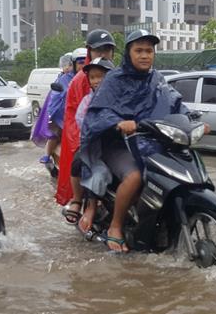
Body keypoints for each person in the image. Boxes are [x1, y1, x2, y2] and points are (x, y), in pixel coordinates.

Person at [78, 29, 200, 252]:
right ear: (129, 53)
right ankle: (115, 226)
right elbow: (98, 111)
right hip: (117, 143)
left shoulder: (157, 79)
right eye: (139, 50)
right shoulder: (114, 79)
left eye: (149, 51)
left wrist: (192, 119)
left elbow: (174, 103)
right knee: (135, 176)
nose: (145, 55)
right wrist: (118, 122)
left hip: (152, 141)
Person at [58, 29, 118, 223]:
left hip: (115, 136)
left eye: (107, 50)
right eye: (98, 50)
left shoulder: (118, 76)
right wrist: (84, 141)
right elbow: (76, 117)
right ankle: (81, 202)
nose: (103, 54)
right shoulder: (80, 80)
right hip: (87, 136)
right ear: (89, 51)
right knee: (82, 163)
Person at [73, 56, 114, 233]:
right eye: (93, 77)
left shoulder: (120, 97)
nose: (96, 81)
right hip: (94, 145)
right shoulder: (87, 101)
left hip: (119, 145)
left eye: (100, 76)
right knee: (84, 165)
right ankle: (87, 205)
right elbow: (81, 121)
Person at [31, 52, 74, 166]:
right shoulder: (61, 78)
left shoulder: (81, 77)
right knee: (54, 133)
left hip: (74, 114)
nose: (66, 67)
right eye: (65, 65)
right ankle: (47, 155)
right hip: (60, 113)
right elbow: (55, 96)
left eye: (69, 65)